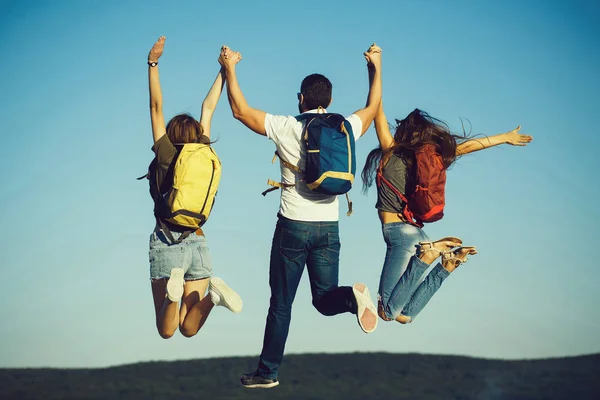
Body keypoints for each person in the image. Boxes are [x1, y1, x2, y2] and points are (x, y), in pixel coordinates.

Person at [218, 44, 383, 388]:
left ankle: (268, 372)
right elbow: (372, 106)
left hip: (293, 228)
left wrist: (230, 68)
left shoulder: (286, 126)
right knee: (324, 300)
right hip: (329, 229)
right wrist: (374, 67)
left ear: (301, 98)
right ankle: (353, 298)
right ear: (330, 100)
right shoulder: (345, 126)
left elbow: (239, 111)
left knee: (281, 304)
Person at [362, 101, 533, 324]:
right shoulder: (429, 159)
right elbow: (469, 146)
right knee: (404, 316)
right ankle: (447, 265)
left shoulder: (390, 151)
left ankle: (428, 256)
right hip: (418, 235)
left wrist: (374, 71)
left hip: (399, 233)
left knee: (387, 313)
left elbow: (376, 108)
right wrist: (504, 137)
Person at [146, 36, 242, 339]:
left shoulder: (165, 152)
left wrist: (153, 63)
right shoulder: (202, 148)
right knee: (189, 329)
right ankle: (213, 298)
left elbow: (156, 106)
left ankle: (173, 297)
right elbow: (209, 107)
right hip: (198, 241)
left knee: (168, 330)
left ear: (172, 134)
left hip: (166, 240)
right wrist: (224, 70)